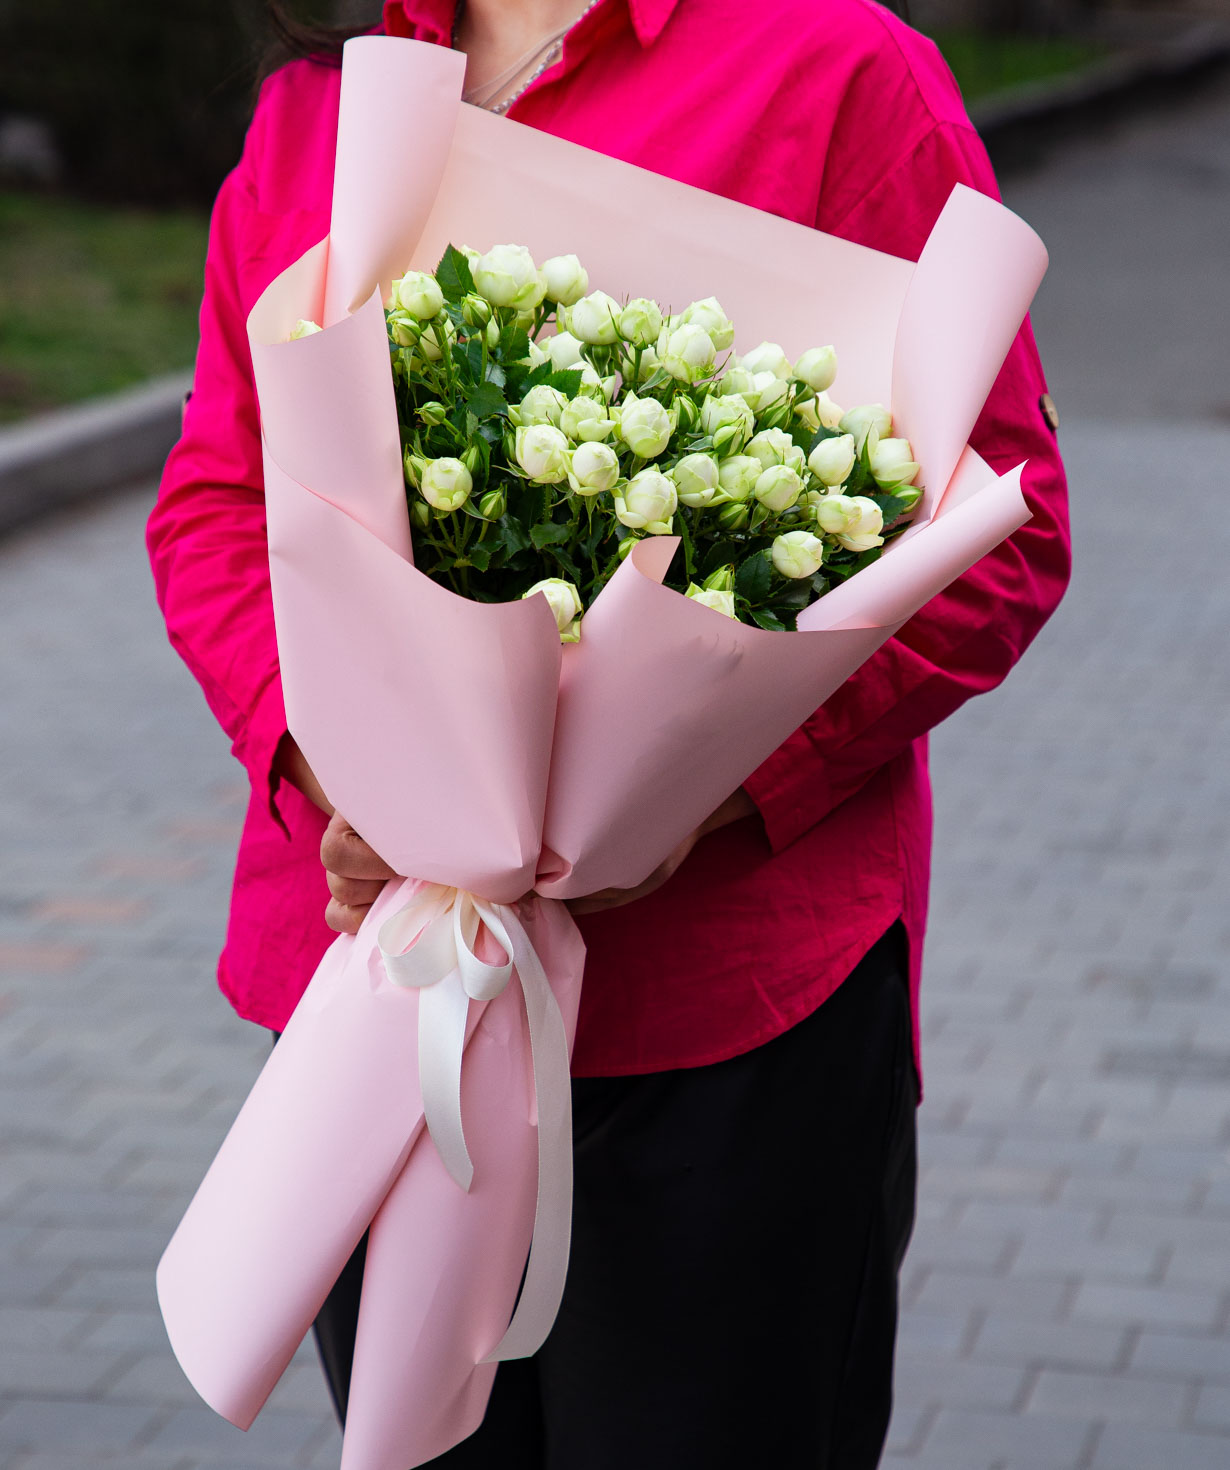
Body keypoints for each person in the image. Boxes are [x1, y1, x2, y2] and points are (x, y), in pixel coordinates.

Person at [147, 1, 1071, 1464]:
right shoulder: (316, 105)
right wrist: (337, 766)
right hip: (385, 1013)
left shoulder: (837, 72)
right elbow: (212, 498)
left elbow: (1000, 536)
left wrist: (677, 795)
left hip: (722, 1033)